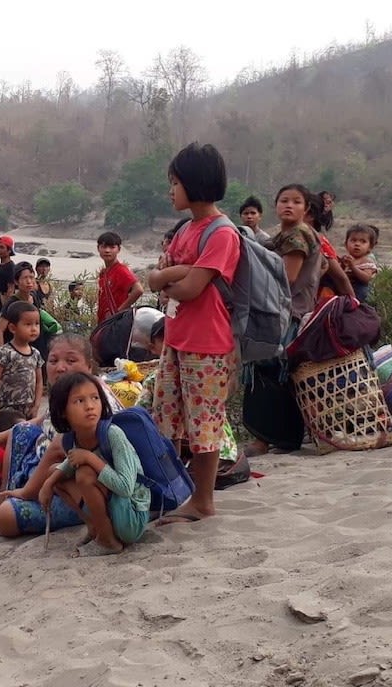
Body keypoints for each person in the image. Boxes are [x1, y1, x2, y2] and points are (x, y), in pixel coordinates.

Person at [147, 141, 244, 523]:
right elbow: (157, 277)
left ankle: (203, 500)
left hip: (207, 344)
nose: (171, 190)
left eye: (174, 182)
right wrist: (175, 276)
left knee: (205, 423)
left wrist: (172, 278)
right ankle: (174, 490)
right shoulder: (187, 229)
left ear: (194, 182)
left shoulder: (222, 234)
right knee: (167, 415)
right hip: (177, 337)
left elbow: (188, 289)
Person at [0, 333, 124, 542]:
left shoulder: (89, 398)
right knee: (21, 430)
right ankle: (0, 504)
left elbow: (59, 446)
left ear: (89, 366)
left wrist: (29, 491)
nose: (60, 367)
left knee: (7, 517)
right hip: (58, 477)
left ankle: (0, 512)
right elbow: (41, 421)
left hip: (91, 491)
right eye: (54, 361)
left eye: (71, 361)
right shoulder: (70, 393)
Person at [244, 184, 323, 457]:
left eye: (296, 201)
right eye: (284, 200)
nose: (289, 205)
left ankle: (266, 438)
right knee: (279, 373)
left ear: (306, 208)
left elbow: (287, 278)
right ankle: (283, 436)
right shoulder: (287, 234)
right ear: (276, 206)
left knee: (267, 370)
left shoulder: (298, 235)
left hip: (286, 313)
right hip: (290, 311)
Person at [43, 372, 150, 557]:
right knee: (56, 473)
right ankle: (95, 529)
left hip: (132, 516)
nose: (90, 406)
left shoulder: (112, 434)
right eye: (79, 401)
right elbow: (68, 464)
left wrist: (90, 458)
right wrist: (47, 484)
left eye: (95, 398)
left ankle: (108, 541)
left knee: (85, 473)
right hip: (115, 508)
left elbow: (125, 488)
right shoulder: (72, 439)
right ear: (62, 411)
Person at [0, 301, 44, 423]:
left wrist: (36, 405)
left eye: (37, 324)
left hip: (29, 409)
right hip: (9, 408)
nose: (34, 329)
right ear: (12, 328)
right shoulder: (5, 352)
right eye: (28, 324)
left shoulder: (36, 354)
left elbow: (39, 382)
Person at [96, 231, 142, 323]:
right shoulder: (104, 272)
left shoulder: (121, 270)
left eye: (112, 247)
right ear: (98, 248)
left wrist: (118, 312)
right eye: (104, 247)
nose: (107, 250)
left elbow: (138, 290)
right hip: (105, 322)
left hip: (117, 322)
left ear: (119, 249)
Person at [341, 224, 380, 302]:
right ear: (346, 244)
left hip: (360, 295)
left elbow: (366, 278)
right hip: (345, 294)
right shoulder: (346, 259)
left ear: (370, 247)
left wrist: (352, 267)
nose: (357, 244)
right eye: (353, 240)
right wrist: (342, 264)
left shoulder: (367, 262)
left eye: (363, 241)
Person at [0, 236, 16, 304]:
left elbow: (10, 290)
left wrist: (5, 309)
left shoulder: (10, 267)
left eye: (2, 247)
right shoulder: (2, 265)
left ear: (9, 250)